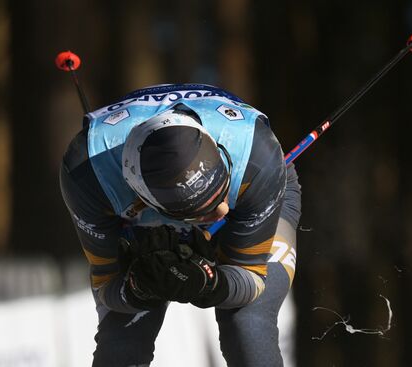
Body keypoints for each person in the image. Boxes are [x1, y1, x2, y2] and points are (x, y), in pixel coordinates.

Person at [60, 83, 302, 366]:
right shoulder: (87, 177)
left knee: (247, 323)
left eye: (219, 192)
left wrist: (212, 284)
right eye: (201, 211)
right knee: (122, 340)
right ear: (148, 200)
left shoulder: (257, 157)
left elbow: (251, 279)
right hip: (137, 219)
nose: (221, 209)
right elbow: (107, 286)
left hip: (249, 191)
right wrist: (139, 289)